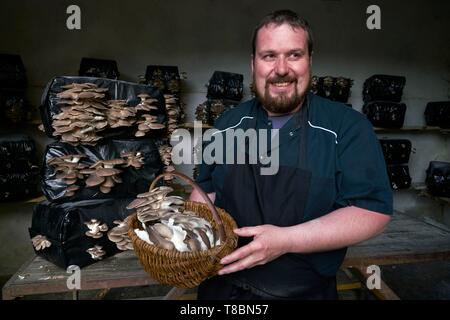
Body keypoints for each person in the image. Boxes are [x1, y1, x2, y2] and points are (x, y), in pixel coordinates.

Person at [189, 9, 393, 300]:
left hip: (302, 292)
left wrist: (286, 240)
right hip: (221, 288)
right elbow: (205, 192)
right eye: (269, 55)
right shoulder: (226, 124)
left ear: (310, 60)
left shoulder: (347, 127)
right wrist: (188, 235)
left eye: (294, 55)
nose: (281, 68)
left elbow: (372, 210)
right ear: (253, 63)